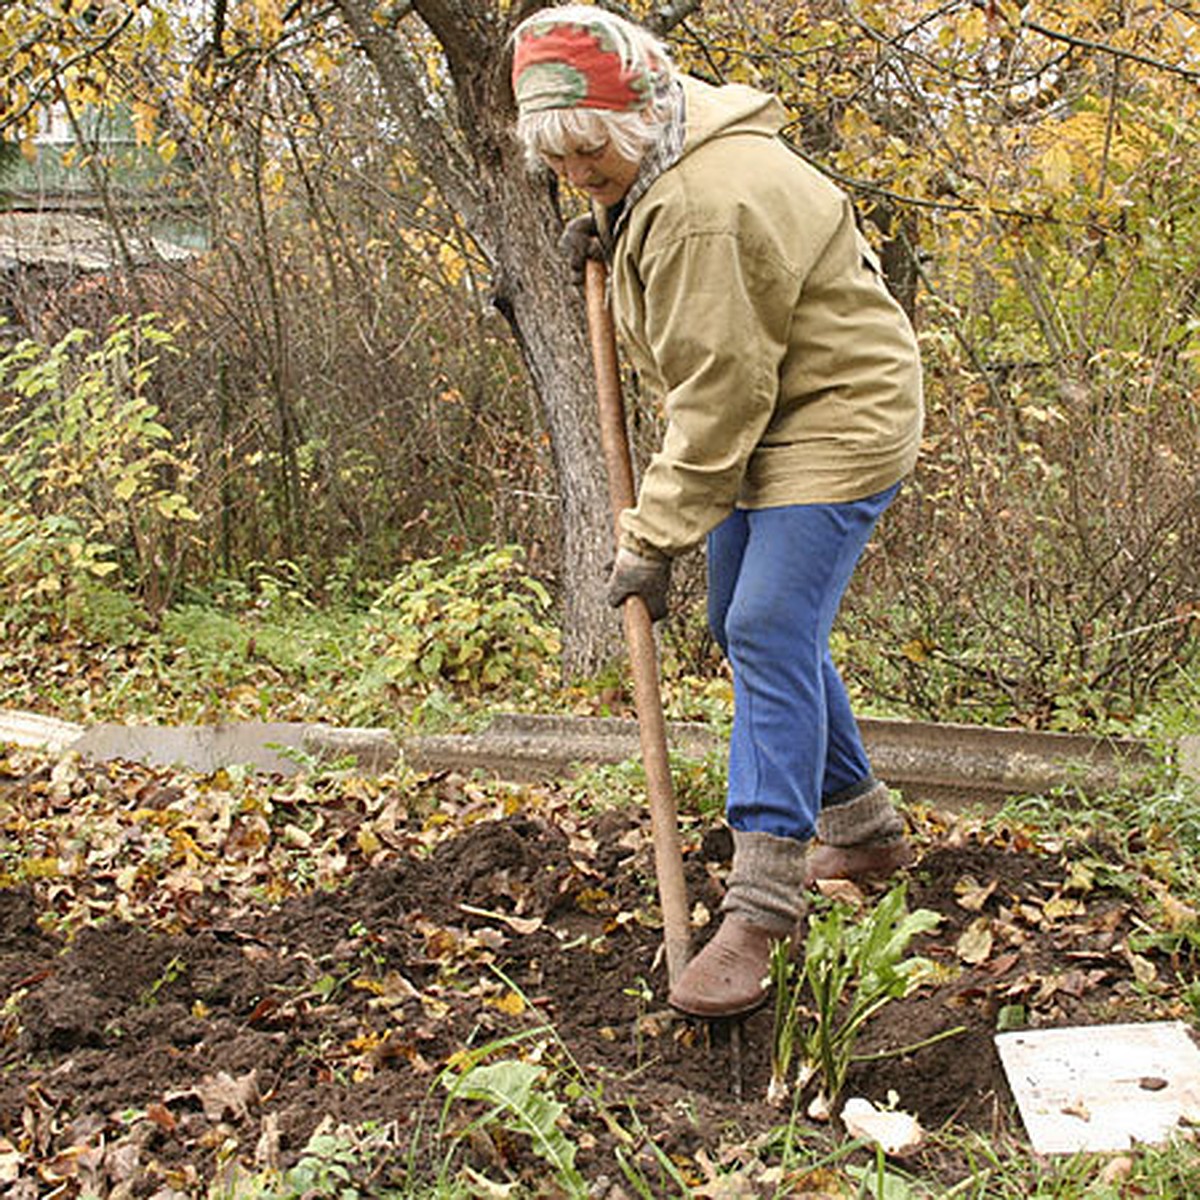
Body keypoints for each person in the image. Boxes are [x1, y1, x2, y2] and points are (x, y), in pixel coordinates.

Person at [511, 5, 924, 1019]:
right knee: (749, 627)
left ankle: (762, 904)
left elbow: (717, 397)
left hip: (831, 416)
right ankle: (863, 827)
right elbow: (720, 360)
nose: (577, 176)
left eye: (591, 161)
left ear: (637, 118)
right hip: (774, 406)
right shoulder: (667, 139)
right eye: (560, 163)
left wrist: (649, 539)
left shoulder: (702, 205)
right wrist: (614, 217)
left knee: (766, 626)